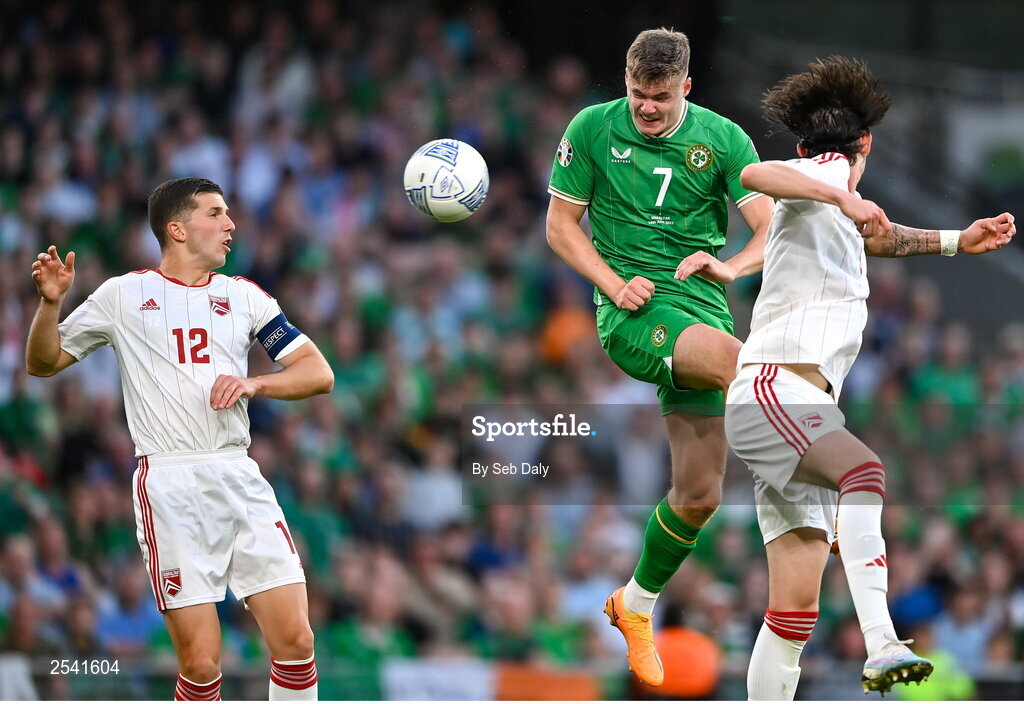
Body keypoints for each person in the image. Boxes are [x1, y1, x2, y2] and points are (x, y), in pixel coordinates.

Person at [723, 56, 1015, 698]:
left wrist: (953, 242)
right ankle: (882, 640)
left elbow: (876, 236)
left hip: (795, 407)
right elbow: (752, 171)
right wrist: (838, 188)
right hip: (778, 388)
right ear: (866, 147)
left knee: (793, 611)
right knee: (865, 473)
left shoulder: (828, 210)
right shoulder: (822, 174)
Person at [25, 177, 335, 701]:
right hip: (169, 481)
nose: (230, 225)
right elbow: (43, 362)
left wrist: (255, 382)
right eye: (215, 213)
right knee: (200, 661)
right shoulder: (123, 295)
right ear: (177, 228)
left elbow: (317, 372)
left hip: (238, 472)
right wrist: (51, 304)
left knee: (297, 639)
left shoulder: (244, 295)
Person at [546, 27, 774, 685]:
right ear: (626, 81)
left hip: (701, 312)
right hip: (634, 313)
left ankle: (635, 603)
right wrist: (614, 285)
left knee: (698, 495)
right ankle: (826, 496)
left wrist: (731, 269)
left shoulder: (723, 139)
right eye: (638, 94)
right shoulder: (591, 129)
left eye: (661, 97)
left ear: (686, 88)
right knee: (749, 368)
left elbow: (768, 229)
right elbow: (560, 227)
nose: (647, 107)